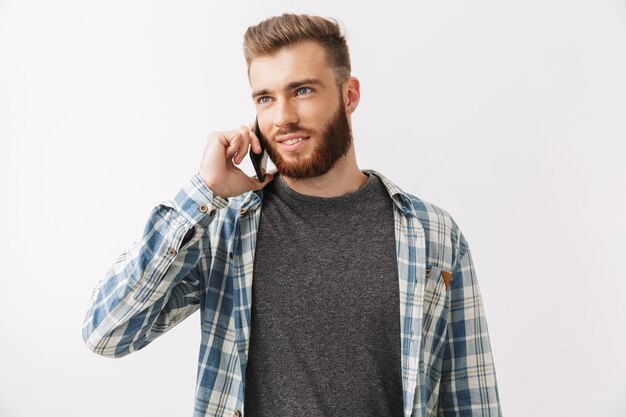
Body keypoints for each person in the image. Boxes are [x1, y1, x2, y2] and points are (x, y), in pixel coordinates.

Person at [82, 13, 502, 417]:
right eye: (266, 98)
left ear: (349, 94)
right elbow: (107, 332)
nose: (282, 117)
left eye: (302, 90)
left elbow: (472, 399)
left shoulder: (432, 234)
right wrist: (204, 192)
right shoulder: (224, 229)